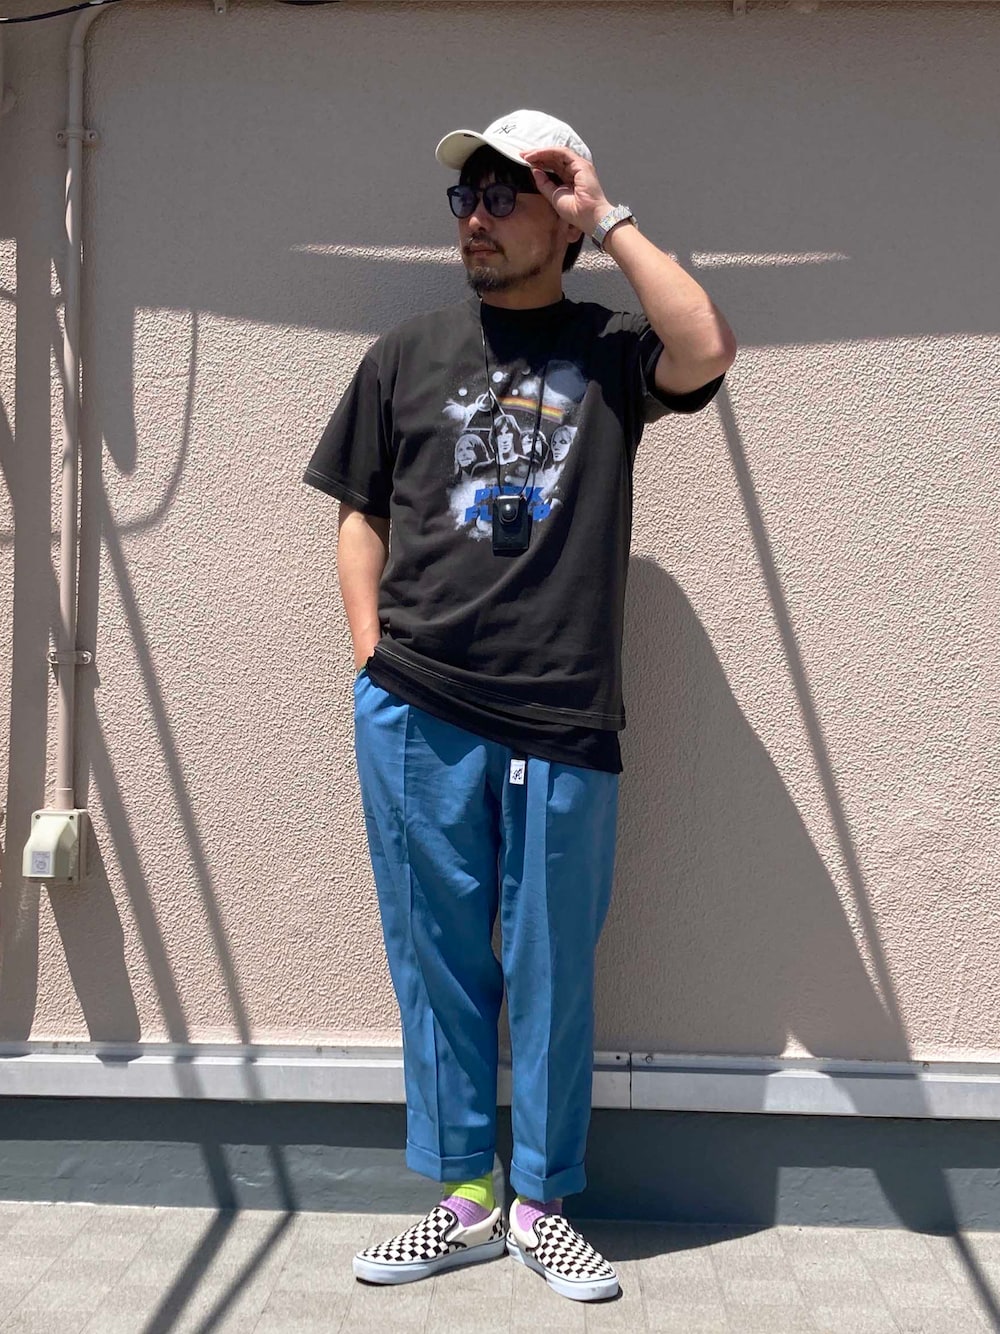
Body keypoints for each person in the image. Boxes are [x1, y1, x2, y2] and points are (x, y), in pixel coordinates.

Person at [303, 109, 736, 1302]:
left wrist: (612, 215)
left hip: (560, 709)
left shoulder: (606, 353)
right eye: (466, 197)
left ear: (560, 217)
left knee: (550, 969)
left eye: (506, 195)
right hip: (417, 704)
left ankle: (542, 1202)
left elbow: (705, 347)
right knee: (437, 963)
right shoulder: (403, 354)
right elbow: (358, 512)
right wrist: (370, 657)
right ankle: (464, 1195)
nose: (477, 218)